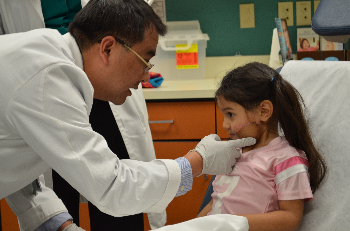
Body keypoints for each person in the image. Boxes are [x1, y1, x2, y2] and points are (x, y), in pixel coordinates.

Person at [0, 0, 256, 231]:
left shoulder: (47, 58)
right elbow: (112, 185)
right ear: (108, 48)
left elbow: (16, 155)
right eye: (145, 60)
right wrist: (196, 162)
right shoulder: (49, 77)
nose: (146, 76)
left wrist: (56, 223)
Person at [197, 62, 327, 231]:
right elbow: (217, 202)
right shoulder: (233, 153)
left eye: (230, 114)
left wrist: (231, 223)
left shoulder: (286, 160)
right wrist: (193, 225)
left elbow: (290, 218)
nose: (225, 125)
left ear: (264, 111)